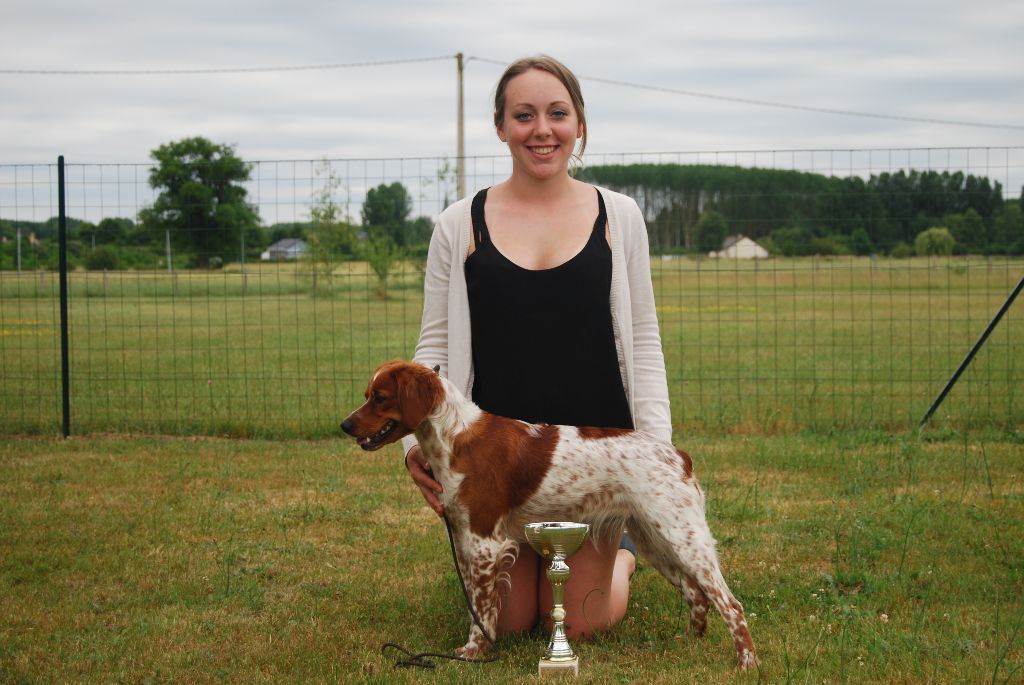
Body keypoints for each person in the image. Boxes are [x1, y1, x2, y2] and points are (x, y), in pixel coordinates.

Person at [401, 55, 671, 640]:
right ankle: (538, 562)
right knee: (511, 621)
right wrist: (412, 445)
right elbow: (434, 345)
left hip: (595, 461)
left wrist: (655, 453)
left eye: (557, 113)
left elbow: (644, 339)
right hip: (496, 464)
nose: (541, 130)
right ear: (500, 127)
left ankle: (619, 552)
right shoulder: (458, 223)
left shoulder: (619, 216)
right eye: (524, 115)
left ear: (578, 123)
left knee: (579, 621)